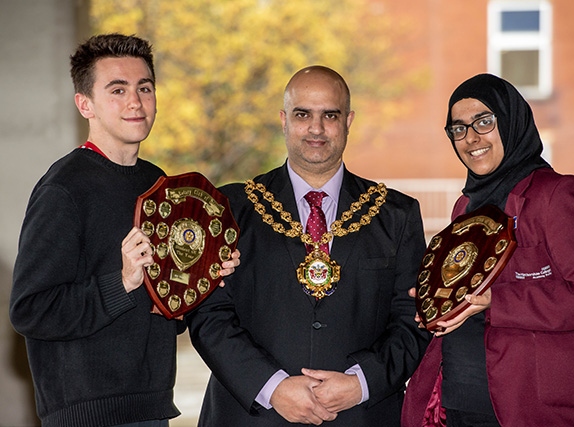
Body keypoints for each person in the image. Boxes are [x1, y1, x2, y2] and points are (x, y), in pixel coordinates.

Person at [9, 33, 238, 427]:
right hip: (88, 415)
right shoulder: (64, 189)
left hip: (152, 407)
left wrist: (201, 279)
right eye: (117, 90)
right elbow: (31, 311)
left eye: (144, 88)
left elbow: (161, 310)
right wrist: (122, 281)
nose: (135, 102)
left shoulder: (160, 185)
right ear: (85, 104)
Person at [186, 65, 429, 426]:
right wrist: (273, 388)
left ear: (348, 121)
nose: (316, 128)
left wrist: (361, 383)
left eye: (329, 115)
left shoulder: (396, 214)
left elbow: (414, 320)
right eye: (303, 114)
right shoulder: (230, 207)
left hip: (361, 415)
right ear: (284, 120)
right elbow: (207, 315)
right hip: (251, 415)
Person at [401, 73, 574, 427]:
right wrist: (439, 303)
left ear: (511, 120)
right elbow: (468, 290)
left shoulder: (559, 195)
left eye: (484, 121)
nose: (470, 137)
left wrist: (496, 299)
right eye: (458, 128)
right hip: (458, 405)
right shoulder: (465, 206)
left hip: (532, 410)